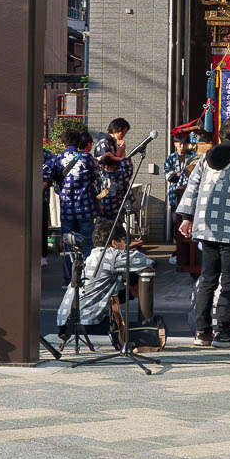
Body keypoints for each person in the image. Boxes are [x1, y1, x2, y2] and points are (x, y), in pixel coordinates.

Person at [176, 114, 230, 348]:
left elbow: (192, 187)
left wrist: (186, 217)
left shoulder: (205, 158)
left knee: (208, 279)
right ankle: (223, 333)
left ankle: (202, 332)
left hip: (206, 228)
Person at [73, 221, 154, 338]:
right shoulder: (111, 256)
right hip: (88, 322)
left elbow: (101, 296)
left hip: (67, 321)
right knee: (121, 335)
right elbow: (146, 261)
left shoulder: (91, 256)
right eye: (125, 241)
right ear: (114, 243)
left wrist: (129, 293)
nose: (126, 246)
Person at [58, 129, 99, 284]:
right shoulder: (87, 158)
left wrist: (61, 191)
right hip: (85, 207)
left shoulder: (58, 159)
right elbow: (96, 177)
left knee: (68, 244)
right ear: (79, 142)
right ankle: (87, 277)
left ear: (63, 143)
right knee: (87, 242)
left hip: (67, 209)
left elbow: (51, 178)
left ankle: (70, 279)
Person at [94, 118, 133, 220]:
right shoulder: (104, 143)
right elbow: (108, 162)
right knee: (106, 220)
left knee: (116, 218)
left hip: (113, 187)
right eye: (123, 132)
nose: (124, 135)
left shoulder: (113, 142)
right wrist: (119, 154)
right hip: (106, 186)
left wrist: (120, 153)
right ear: (115, 130)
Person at [164, 132, 193, 218]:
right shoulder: (170, 158)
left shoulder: (192, 156)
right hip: (175, 190)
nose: (182, 146)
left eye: (184, 144)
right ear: (175, 144)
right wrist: (179, 174)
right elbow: (167, 174)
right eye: (180, 144)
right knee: (175, 216)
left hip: (189, 189)